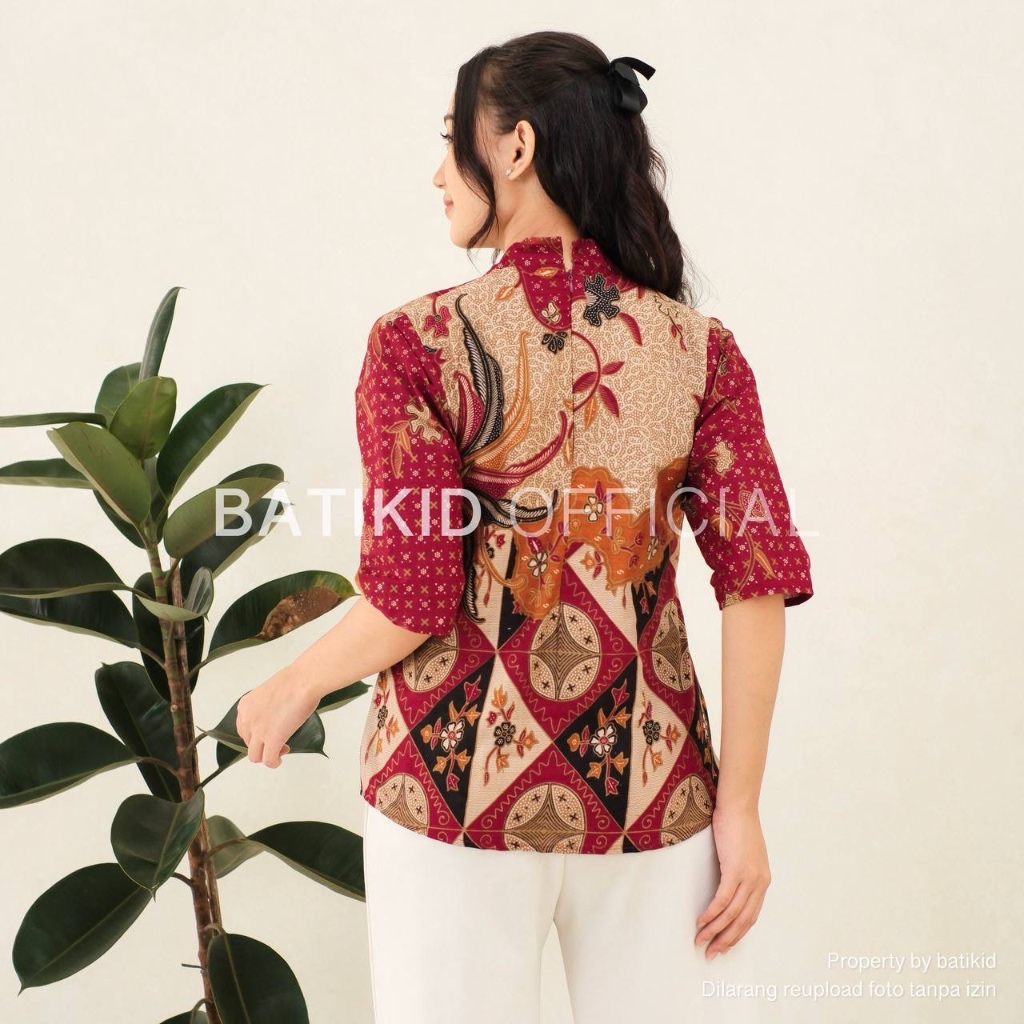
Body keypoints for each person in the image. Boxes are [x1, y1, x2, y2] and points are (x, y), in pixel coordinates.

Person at [236, 30, 813, 1024]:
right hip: (653, 794)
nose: (437, 172)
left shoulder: (417, 344)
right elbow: (755, 581)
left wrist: (291, 685)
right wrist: (741, 808)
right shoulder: (698, 350)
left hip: (450, 790)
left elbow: (413, 596)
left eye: (449, 138)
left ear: (515, 147)